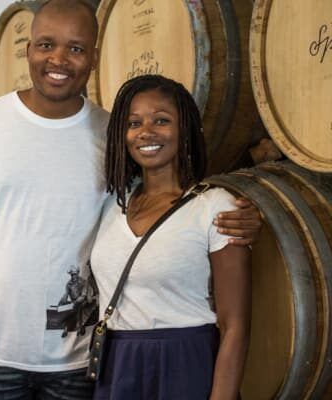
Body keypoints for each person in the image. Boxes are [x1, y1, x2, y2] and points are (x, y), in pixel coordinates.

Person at [0, 1, 259, 399]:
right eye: (46, 45)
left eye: (75, 48)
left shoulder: (114, 136)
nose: (58, 59)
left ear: (94, 57)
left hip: (81, 362)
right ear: (28, 49)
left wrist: (246, 214)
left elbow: (172, 207)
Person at [90, 74, 251, 400]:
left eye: (161, 120)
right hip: (117, 363)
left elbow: (235, 326)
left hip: (186, 360)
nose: (146, 132)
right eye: (134, 123)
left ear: (185, 129)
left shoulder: (214, 206)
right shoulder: (111, 204)